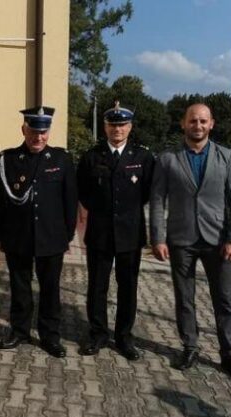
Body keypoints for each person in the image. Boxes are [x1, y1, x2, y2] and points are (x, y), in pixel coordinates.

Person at [149, 103, 231, 382]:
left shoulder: (227, 157)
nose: (198, 125)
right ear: (183, 124)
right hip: (180, 239)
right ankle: (190, 347)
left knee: (224, 299)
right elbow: (157, 200)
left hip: (218, 240)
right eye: (193, 120)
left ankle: (230, 354)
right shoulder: (168, 158)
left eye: (203, 121)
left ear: (211, 124)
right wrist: (158, 237)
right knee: (184, 298)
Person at [0, 106, 77, 358]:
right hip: (17, 235)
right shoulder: (7, 159)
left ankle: (50, 336)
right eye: (33, 131)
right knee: (20, 287)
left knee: (50, 290)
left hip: (51, 236)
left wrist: (68, 234)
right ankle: (19, 331)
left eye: (43, 132)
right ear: (24, 130)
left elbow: (70, 199)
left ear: (48, 132)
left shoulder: (61, 159)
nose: (38, 137)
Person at [77, 102, 154, 360]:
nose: (117, 129)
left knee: (128, 287)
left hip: (130, 234)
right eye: (112, 125)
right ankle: (97, 334)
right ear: (105, 127)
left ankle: (124, 337)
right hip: (99, 232)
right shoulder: (91, 156)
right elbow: (83, 192)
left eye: (122, 125)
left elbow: (147, 192)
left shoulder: (142, 157)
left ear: (130, 127)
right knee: (97, 286)